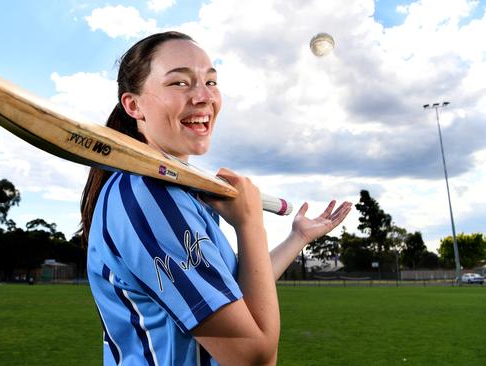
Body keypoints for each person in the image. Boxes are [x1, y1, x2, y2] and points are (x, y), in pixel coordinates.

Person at [80, 31, 352, 366]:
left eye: (210, 81)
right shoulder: (150, 199)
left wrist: (298, 237)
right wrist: (250, 224)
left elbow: (233, 291)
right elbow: (254, 358)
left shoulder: (178, 197)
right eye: (179, 83)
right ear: (133, 105)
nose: (203, 96)